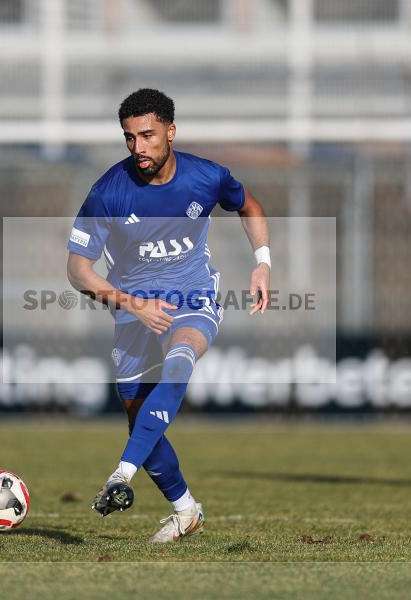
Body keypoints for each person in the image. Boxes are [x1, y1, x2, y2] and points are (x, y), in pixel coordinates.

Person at [66, 88, 271, 542]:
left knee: (180, 361)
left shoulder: (206, 177)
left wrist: (263, 261)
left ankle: (120, 475)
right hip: (135, 310)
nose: (138, 148)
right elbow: (78, 270)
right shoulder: (108, 192)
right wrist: (131, 304)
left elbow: (249, 205)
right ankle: (186, 510)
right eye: (129, 138)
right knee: (139, 416)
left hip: (194, 294)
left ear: (170, 132)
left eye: (147, 135)